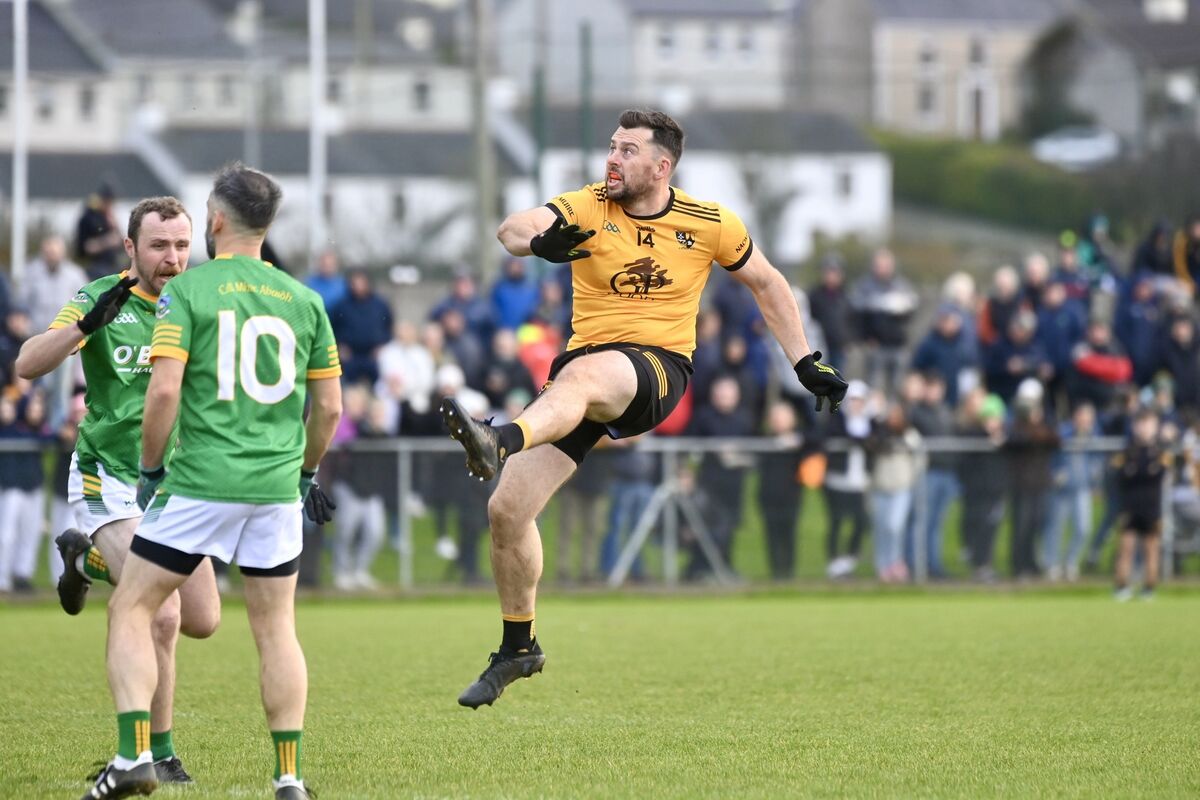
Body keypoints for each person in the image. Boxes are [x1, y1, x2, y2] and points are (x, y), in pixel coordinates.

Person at [440, 108, 846, 708]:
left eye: (627, 150)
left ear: (662, 166)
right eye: (611, 146)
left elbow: (767, 282)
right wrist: (540, 243)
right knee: (508, 509)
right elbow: (511, 229)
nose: (613, 158)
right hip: (582, 381)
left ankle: (499, 440)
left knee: (579, 377)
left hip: (656, 370)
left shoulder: (709, 223)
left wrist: (803, 360)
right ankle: (519, 645)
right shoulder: (588, 204)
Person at [87, 164, 342, 800]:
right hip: (276, 489)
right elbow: (331, 409)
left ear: (216, 221)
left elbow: (165, 389)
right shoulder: (306, 301)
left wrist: (150, 473)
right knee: (276, 629)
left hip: (201, 482)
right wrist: (306, 472)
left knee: (133, 606)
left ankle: (131, 757)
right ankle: (289, 777)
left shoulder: (190, 292)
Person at [16, 196, 222, 786]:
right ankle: (156, 751)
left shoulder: (199, 304)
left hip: (175, 481)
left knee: (203, 619)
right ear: (130, 248)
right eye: (159, 245)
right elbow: (29, 363)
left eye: (182, 245)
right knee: (161, 610)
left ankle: (85, 557)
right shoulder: (101, 297)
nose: (173, 258)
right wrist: (84, 326)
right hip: (109, 476)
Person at [1112, 409, 1168, 600]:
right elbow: (1121, 475)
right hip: (1130, 505)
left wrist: (1139, 472)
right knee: (1126, 547)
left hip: (1152, 506)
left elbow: (1159, 474)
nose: (1145, 428)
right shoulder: (1127, 450)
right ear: (1135, 426)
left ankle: (1149, 588)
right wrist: (1143, 472)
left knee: (1151, 548)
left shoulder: (1161, 450)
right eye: (1141, 424)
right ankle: (1121, 586)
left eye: (1149, 424)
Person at [849, 248, 918, 394]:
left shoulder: (902, 285)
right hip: (876, 346)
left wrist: (900, 307)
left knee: (897, 388)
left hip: (898, 346)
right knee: (874, 387)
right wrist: (866, 339)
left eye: (887, 265)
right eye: (880, 265)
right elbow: (856, 316)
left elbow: (912, 311)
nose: (883, 269)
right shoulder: (864, 287)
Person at [823, 380, 871, 579]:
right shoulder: (836, 421)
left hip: (858, 481)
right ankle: (834, 561)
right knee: (837, 520)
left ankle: (848, 560)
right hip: (837, 480)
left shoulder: (870, 423)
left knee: (862, 521)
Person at [329, 269, 393, 385]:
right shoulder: (340, 306)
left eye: (361, 282)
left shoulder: (380, 305)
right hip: (349, 356)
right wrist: (339, 346)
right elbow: (330, 330)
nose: (358, 286)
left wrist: (382, 346)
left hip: (374, 355)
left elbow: (389, 328)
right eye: (355, 283)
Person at [76, 183, 126, 280]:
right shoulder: (89, 218)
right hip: (94, 267)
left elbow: (121, 241)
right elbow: (85, 247)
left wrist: (114, 224)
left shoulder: (109, 218)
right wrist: (108, 241)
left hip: (112, 265)